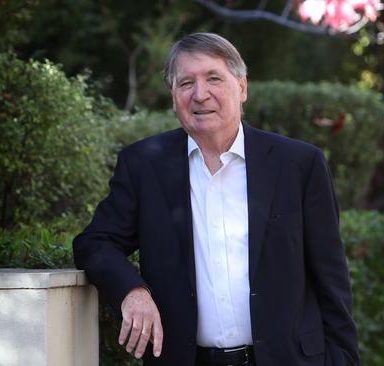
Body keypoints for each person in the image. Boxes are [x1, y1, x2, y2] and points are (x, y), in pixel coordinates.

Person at [73, 32, 359, 366]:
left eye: (213, 78)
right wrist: (132, 290)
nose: (200, 94)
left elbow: (332, 279)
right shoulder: (144, 166)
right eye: (185, 83)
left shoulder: (298, 164)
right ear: (173, 95)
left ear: (242, 88)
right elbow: (95, 242)